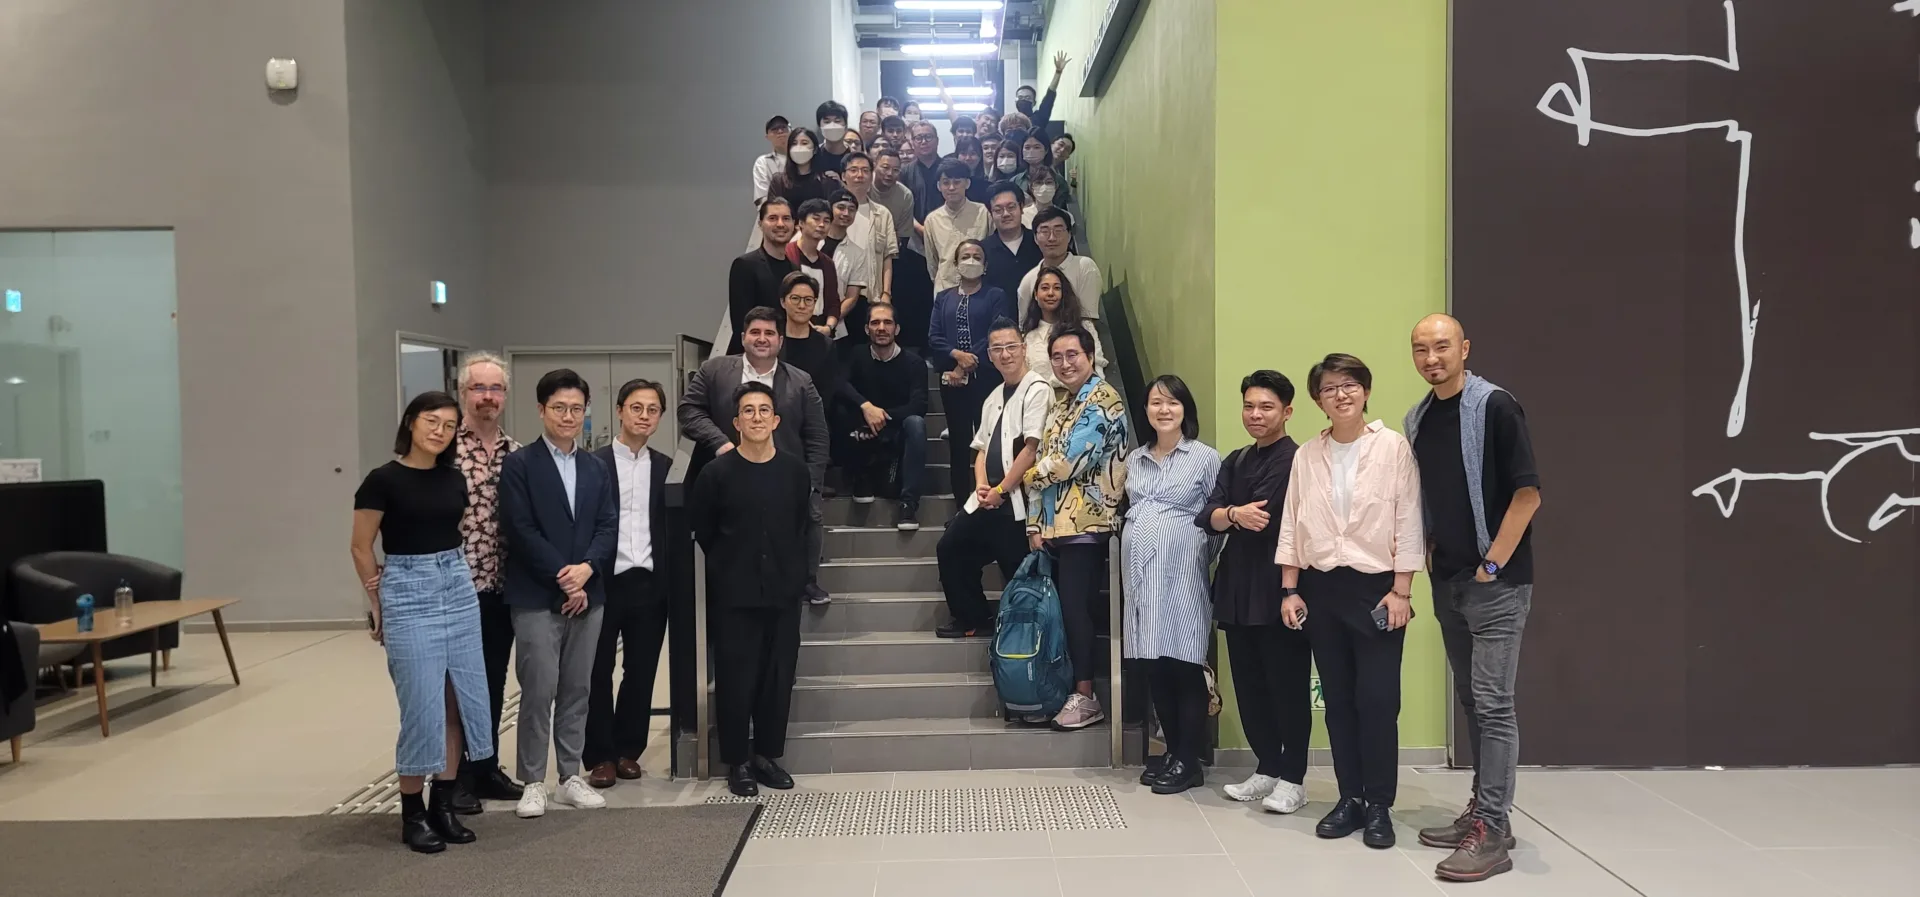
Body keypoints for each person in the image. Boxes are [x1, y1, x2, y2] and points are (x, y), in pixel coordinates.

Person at [1406, 314, 1541, 883]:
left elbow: (1528, 494)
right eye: (1420, 349)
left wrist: (1492, 563)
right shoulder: (1419, 417)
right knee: (1471, 701)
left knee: (1494, 705)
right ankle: (1483, 813)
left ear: (1464, 348)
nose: (1431, 357)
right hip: (1450, 581)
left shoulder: (1496, 407)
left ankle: (1492, 829)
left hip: (1496, 585)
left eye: (1441, 347)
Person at [1274, 353, 1423, 850]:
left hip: (1378, 589)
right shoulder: (1306, 456)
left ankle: (1379, 803)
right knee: (1337, 701)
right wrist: (1290, 588)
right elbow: (1292, 522)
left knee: (1378, 701)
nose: (1341, 394)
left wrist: (1402, 591)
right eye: (1330, 388)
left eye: (1350, 385)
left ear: (1365, 391)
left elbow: (1407, 521)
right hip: (1322, 589)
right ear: (1317, 399)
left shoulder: (1392, 449)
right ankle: (1350, 798)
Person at [351, 391, 495, 853]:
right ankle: (412, 813)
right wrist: (378, 603)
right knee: (422, 707)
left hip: (455, 581)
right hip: (406, 587)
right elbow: (360, 546)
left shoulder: (454, 480)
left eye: (450, 425)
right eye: (431, 421)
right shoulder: (381, 480)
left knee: (460, 700)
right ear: (411, 423)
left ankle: (443, 804)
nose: (440, 431)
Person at [500, 369, 619, 819]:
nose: (568, 416)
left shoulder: (594, 466)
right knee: (538, 688)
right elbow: (520, 528)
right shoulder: (520, 465)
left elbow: (608, 524)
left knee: (577, 687)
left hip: (590, 595)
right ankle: (533, 780)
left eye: (576, 408)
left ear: (586, 410)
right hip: (535, 595)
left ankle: (570, 775)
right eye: (559, 408)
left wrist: (587, 572)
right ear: (541, 410)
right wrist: (563, 576)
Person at [689, 382, 813, 798]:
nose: (757, 417)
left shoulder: (795, 471)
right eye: (748, 411)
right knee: (736, 678)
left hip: (782, 593)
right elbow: (705, 531)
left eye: (764, 410)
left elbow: (800, 525)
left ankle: (766, 756)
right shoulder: (715, 473)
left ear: (776, 420)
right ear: (735, 422)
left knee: (778, 677)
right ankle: (737, 761)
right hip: (734, 594)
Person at [1200, 371, 1312, 813]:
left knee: (1286, 685)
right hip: (1237, 583)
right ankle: (1267, 767)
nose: (1255, 414)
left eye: (1266, 407)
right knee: (1249, 684)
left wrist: (1227, 514)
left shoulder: (1296, 460)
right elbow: (1207, 514)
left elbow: (1263, 515)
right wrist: (1230, 512)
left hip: (1282, 586)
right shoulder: (1236, 459)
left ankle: (1295, 777)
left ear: (1287, 411)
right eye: (1249, 406)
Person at [680, 307, 833, 604]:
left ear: (780, 340)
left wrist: (811, 483)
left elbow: (817, 435)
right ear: (742, 337)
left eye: (769, 333)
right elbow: (688, 410)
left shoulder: (801, 381)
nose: (762, 339)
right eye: (755, 332)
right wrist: (720, 443)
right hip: (733, 473)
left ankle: (808, 581)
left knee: (808, 519)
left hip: (785, 475)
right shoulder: (715, 370)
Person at [1024, 325, 1128, 730]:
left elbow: (1067, 462)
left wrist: (1026, 476)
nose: (1065, 363)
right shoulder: (1062, 402)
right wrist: (1035, 522)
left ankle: (1086, 696)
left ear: (1091, 356)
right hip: (1055, 528)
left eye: (1073, 355)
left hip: (1088, 524)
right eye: (1058, 357)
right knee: (1065, 612)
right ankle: (1070, 688)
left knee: (1077, 611)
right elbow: (1047, 460)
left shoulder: (1103, 399)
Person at [1123, 375, 1221, 795]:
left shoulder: (1204, 458)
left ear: (1186, 409)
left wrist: (1189, 553)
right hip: (1142, 579)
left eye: (1172, 403)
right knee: (1155, 665)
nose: (1164, 410)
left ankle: (1189, 756)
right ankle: (1171, 752)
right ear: (1145, 411)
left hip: (1182, 576)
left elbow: (1217, 522)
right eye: (1155, 403)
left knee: (1185, 664)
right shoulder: (1135, 460)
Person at [584, 379, 672, 790]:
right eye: (636, 407)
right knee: (597, 671)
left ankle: (627, 751)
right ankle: (599, 755)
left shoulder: (668, 468)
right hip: (603, 583)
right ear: (619, 411)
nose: (644, 416)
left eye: (652, 409)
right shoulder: (592, 465)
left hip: (650, 584)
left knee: (641, 670)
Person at [936, 318, 1048, 639]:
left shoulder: (1037, 390)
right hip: (987, 497)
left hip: (1018, 502)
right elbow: (981, 448)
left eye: (1011, 346)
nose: (1005, 354)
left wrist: (1002, 489)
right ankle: (972, 616)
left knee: (1017, 569)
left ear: (1023, 348)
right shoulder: (993, 395)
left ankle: (1026, 640)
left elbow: (1031, 449)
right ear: (989, 355)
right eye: (997, 348)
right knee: (951, 547)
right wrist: (984, 486)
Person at [449, 353, 527, 811]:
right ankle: (454, 776)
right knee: (458, 685)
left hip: (502, 587)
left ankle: (486, 765)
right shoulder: (443, 452)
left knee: (493, 681)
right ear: (463, 393)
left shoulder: (515, 454)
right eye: (478, 389)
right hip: (454, 590)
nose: (487, 397)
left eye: (495, 389)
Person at [928, 238, 1017, 501]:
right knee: (958, 443)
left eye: (977, 257)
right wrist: (956, 357)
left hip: (987, 381)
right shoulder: (943, 298)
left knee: (989, 442)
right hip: (951, 382)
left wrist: (967, 364)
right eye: (965, 256)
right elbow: (934, 336)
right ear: (955, 264)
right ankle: (959, 506)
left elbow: (996, 331)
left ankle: (990, 501)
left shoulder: (995, 295)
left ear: (985, 265)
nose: (971, 261)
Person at [840, 304, 929, 528]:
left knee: (916, 424)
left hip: (897, 434)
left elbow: (918, 405)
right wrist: (865, 406)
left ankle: (908, 505)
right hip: (863, 434)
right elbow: (840, 385)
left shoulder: (914, 363)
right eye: (875, 323)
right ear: (866, 328)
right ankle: (859, 478)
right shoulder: (857, 355)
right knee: (840, 408)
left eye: (887, 322)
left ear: (897, 329)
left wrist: (882, 415)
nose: (881, 328)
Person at [838, 154, 899, 346]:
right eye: (853, 170)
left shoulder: (882, 214)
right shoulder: (830, 212)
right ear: (843, 176)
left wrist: (886, 294)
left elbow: (888, 257)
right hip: (839, 296)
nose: (859, 175)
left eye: (865, 170)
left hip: (870, 296)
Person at [726, 197, 798, 354]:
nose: (780, 224)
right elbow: (741, 323)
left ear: (794, 225)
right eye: (772, 218)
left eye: (786, 218)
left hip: (784, 356)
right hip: (750, 358)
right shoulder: (745, 265)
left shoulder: (795, 270)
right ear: (760, 224)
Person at [1021, 265, 1106, 388]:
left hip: (1083, 399)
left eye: (1056, 288)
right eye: (1045, 288)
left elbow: (1098, 368)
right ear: (1035, 294)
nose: (1050, 293)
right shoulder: (1028, 337)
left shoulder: (1084, 327)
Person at [1017, 208, 1101, 320]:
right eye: (1045, 231)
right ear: (1035, 239)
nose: (1052, 238)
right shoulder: (1029, 280)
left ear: (1070, 235)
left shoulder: (1084, 267)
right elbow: (1025, 327)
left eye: (1058, 231)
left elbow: (1088, 321)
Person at [924, 159, 991, 294]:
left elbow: (990, 251)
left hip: (979, 289)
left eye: (957, 182)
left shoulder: (982, 212)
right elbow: (932, 262)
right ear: (939, 186)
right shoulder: (932, 220)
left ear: (967, 183)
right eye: (946, 182)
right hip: (944, 289)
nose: (951, 187)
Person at [822, 188, 873, 342]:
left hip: (836, 325)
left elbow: (852, 297)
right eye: (841, 208)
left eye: (851, 210)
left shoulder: (857, 252)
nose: (846, 213)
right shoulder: (809, 241)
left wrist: (829, 323)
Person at [787, 198, 842, 337]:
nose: (822, 225)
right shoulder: (786, 255)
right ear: (801, 223)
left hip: (821, 332)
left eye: (827, 220)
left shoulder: (828, 263)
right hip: (790, 331)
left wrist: (829, 327)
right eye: (816, 219)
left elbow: (833, 303)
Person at [983, 181, 1041, 300]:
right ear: (991, 213)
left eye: (1011, 207)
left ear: (1021, 207)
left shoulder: (1040, 243)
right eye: (998, 210)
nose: (1006, 214)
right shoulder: (982, 251)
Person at [766, 128, 836, 215]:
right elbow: (773, 212)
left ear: (815, 150)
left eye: (804, 143)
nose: (798, 148)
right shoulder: (778, 181)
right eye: (794, 144)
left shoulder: (827, 181)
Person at [1011, 130, 1072, 211]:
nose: (1031, 151)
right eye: (1027, 147)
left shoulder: (1059, 181)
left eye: (1037, 147)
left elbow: (1060, 212)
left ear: (1046, 150)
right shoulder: (1016, 181)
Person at [1017, 51, 1072, 137]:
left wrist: (1058, 72)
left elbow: (1049, 96)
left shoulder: (1039, 117)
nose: (1023, 100)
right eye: (1020, 97)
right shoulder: (1010, 121)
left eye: (1027, 98)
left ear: (1034, 102)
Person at [1019, 165, 1066, 234]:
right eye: (1039, 183)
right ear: (1031, 187)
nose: (1044, 187)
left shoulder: (1065, 216)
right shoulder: (1022, 216)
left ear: (1056, 186)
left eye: (1049, 182)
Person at [953, 135, 994, 204]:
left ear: (980, 156)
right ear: (957, 156)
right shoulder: (950, 185)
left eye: (973, 153)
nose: (968, 158)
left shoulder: (989, 188)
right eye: (963, 153)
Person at [815, 100, 852, 174]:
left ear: (845, 126)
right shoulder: (814, 155)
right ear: (820, 127)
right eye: (827, 122)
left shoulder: (853, 156)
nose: (832, 126)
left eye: (837, 121)